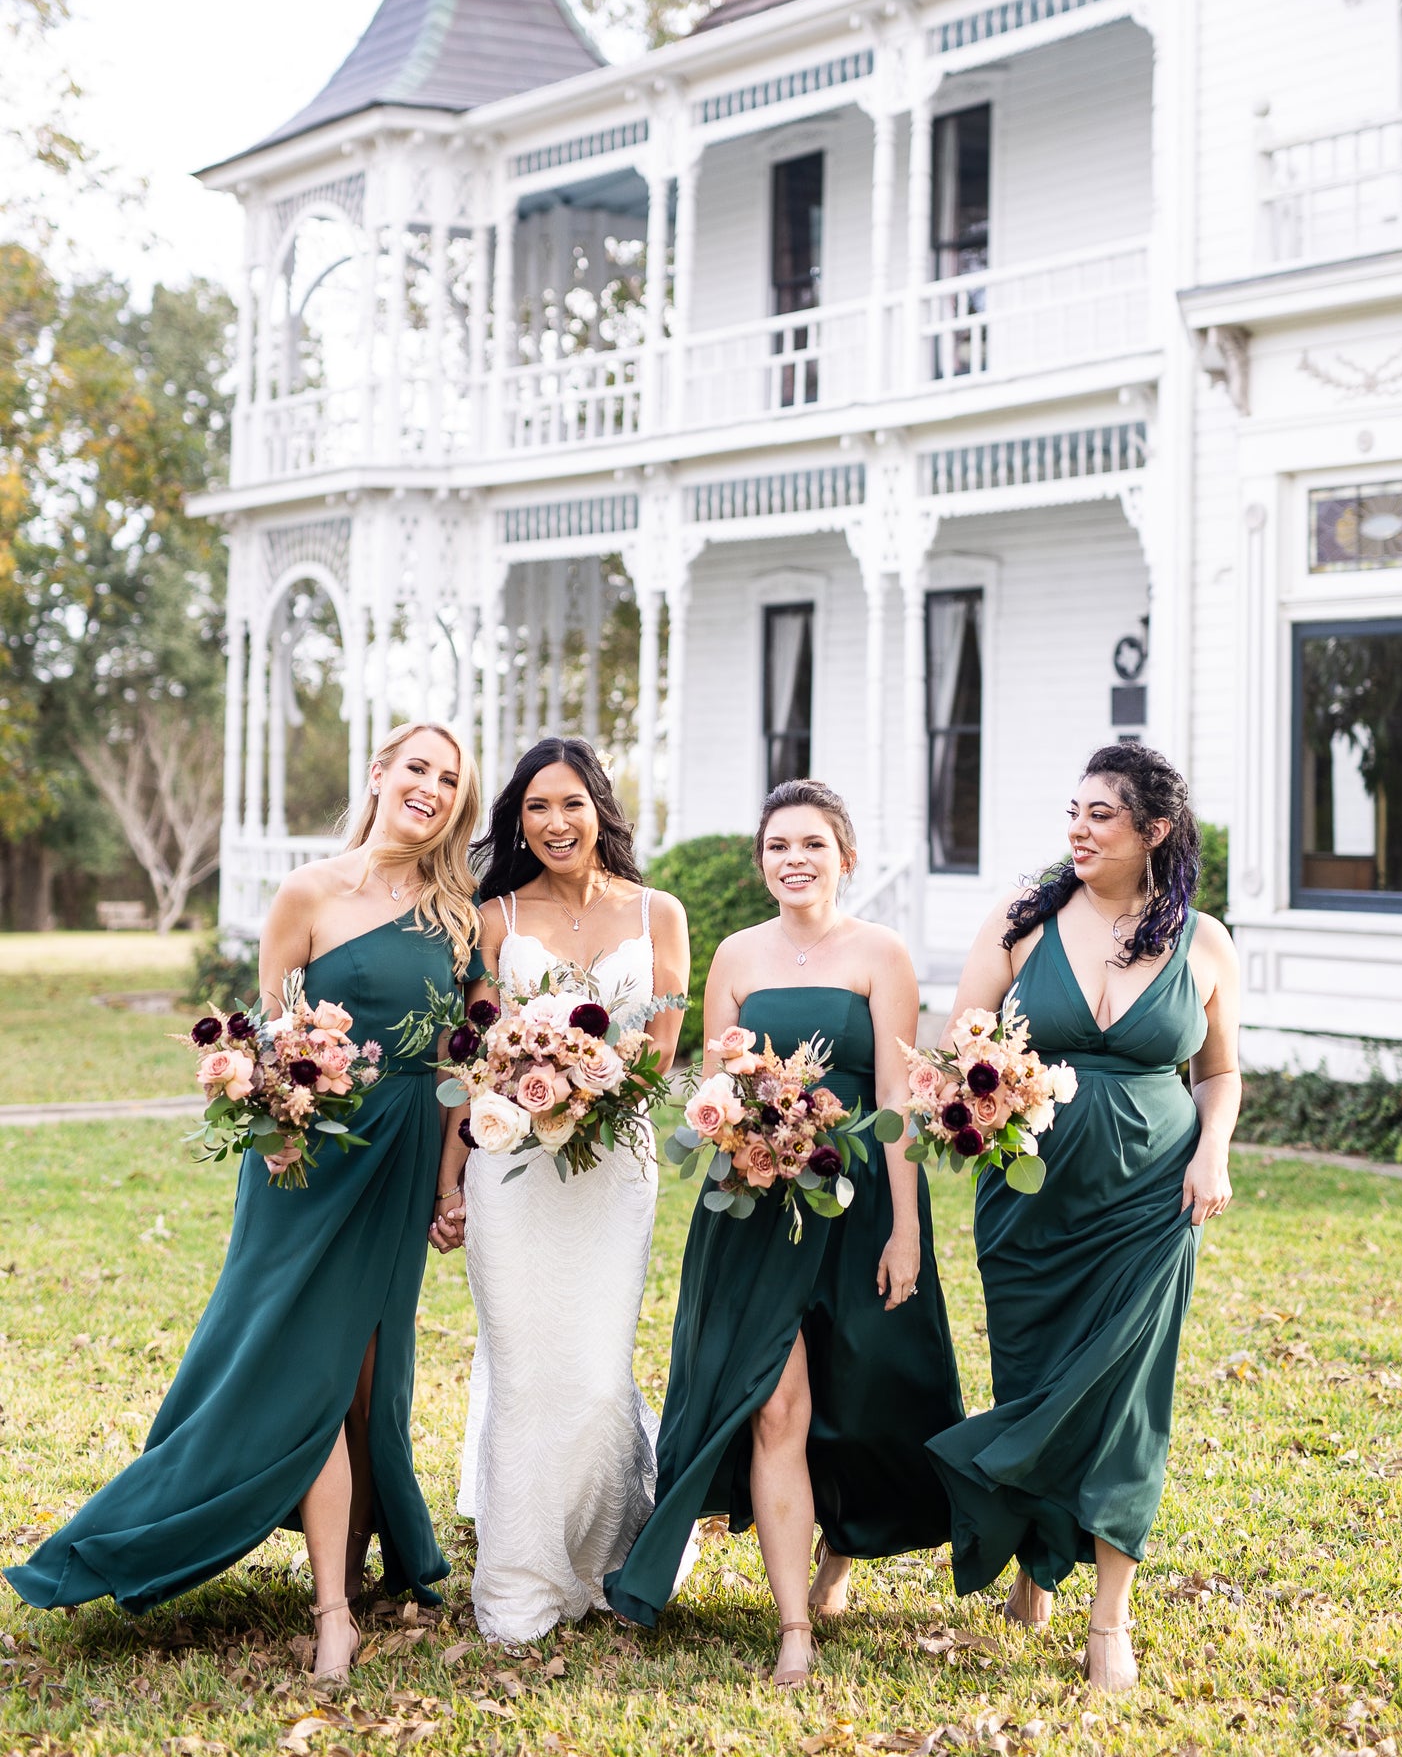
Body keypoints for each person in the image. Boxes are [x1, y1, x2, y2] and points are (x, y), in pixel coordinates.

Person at [5, 722, 483, 1686]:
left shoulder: (456, 915)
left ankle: (349, 1562)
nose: (430, 787)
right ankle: (331, 1612)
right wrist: (277, 1119)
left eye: (449, 778)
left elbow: (454, 1068)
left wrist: (447, 1185)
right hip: (306, 1161)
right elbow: (273, 1036)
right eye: (417, 768)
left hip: (396, 1161)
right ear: (380, 773)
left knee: (364, 1378)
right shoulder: (307, 892)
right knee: (296, 1363)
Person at [605, 778, 963, 1687]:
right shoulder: (733, 955)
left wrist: (906, 1232)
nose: (793, 860)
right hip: (752, 1207)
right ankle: (792, 1622)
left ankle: (842, 1547)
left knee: (860, 1394)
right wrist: (734, 1127)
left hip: (857, 1206)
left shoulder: (881, 954)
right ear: (761, 860)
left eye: (812, 843)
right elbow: (712, 1088)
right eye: (777, 846)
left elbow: (896, 1100)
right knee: (775, 1404)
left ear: (843, 856)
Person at [925, 743, 1240, 1692]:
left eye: (1101, 814)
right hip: (1031, 1198)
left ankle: (1109, 1616)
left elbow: (1218, 1070)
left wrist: (1212, 1149)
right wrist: (981, 1098)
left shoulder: (1204, 938)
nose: (1077, 828)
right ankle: (1035, 1554)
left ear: (1153, 831)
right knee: (1034, 1378)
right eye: (1073, 810)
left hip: (1151, 1198)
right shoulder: (1022, 921)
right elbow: (958, 1045)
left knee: (1124, 1399)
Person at [434, 736, 689, 1644]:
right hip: (511, 1165)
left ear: (599, 809)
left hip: (614, 1164)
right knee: (524, 1367)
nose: (553, 823)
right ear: (518, 819)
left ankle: (604, 1545)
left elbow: (659, 1052)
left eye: (571, 803)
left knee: (590, 1369)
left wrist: (594, 1088)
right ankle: (520, 1576)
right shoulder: (492, 916)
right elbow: (469, 1059)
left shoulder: (660, 912)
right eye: (536, 807)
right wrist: (450, 1181)